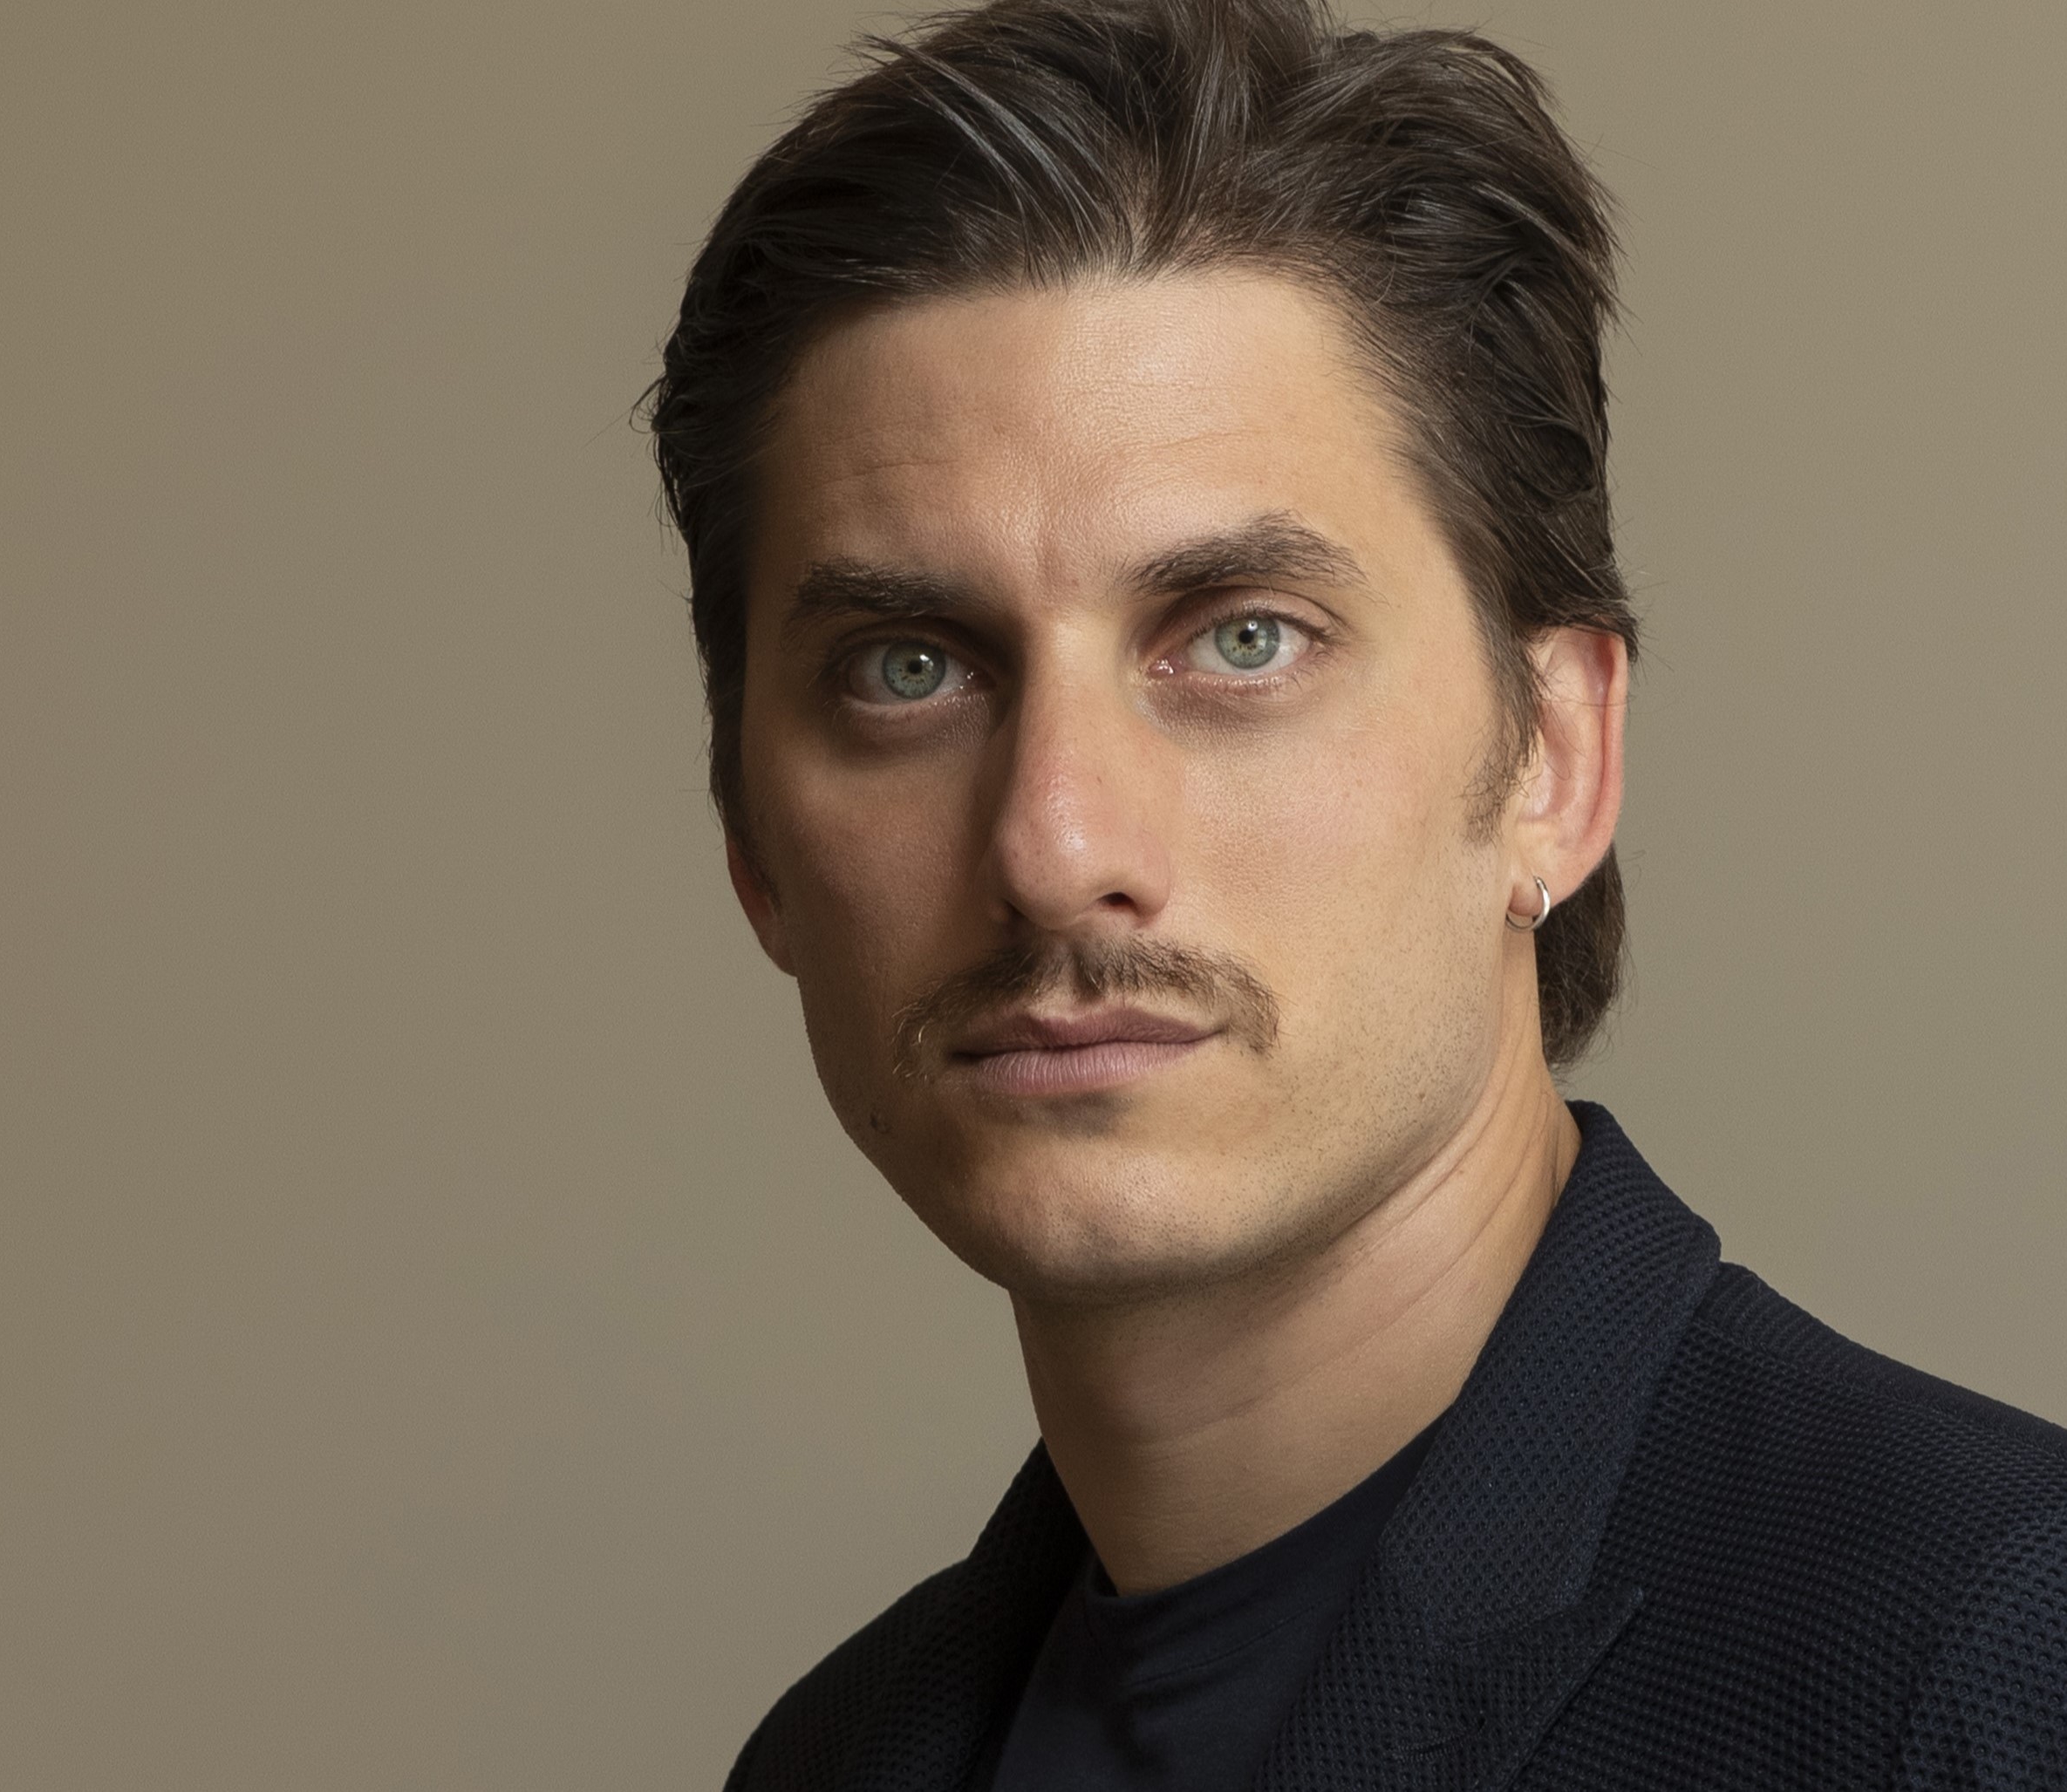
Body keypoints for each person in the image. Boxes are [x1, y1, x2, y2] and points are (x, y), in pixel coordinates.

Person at [645, 2, 2067, 1786]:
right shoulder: (838, 1754)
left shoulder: (1990, 1665)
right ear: (751, 841)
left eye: (1243, 639)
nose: (1054, 844)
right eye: (907, 669)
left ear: (1552, 757)